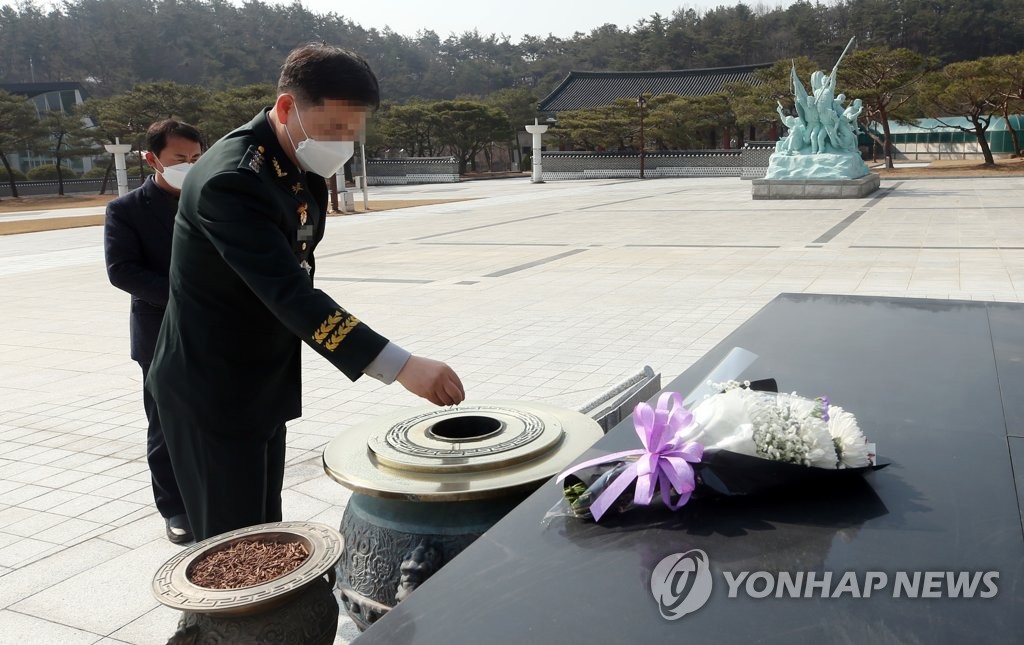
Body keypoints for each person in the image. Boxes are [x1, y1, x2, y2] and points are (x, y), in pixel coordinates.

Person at [147, 43, 466, 542]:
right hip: (211, 386)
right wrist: (401, 365)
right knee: (231, 545)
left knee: (260, 525)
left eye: (353, 130)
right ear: (287, 108)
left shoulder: (292, 161)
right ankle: (214, 622)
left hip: (259, 378)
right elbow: (290, 293)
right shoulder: (232, 180)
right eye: (334, 128)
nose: (343, 142)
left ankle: (261, 616)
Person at [103, 119, 203, 544]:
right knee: (164, 424)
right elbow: (121, 270)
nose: (189, 166)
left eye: (197, 159)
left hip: (216, 330)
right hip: (160, 331)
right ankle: (174, 507)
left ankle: (209, 496)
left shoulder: (212, 200)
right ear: (152, 159)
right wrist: (185, 298)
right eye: (179, 159)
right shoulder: (126, 210)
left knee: (212, 418)